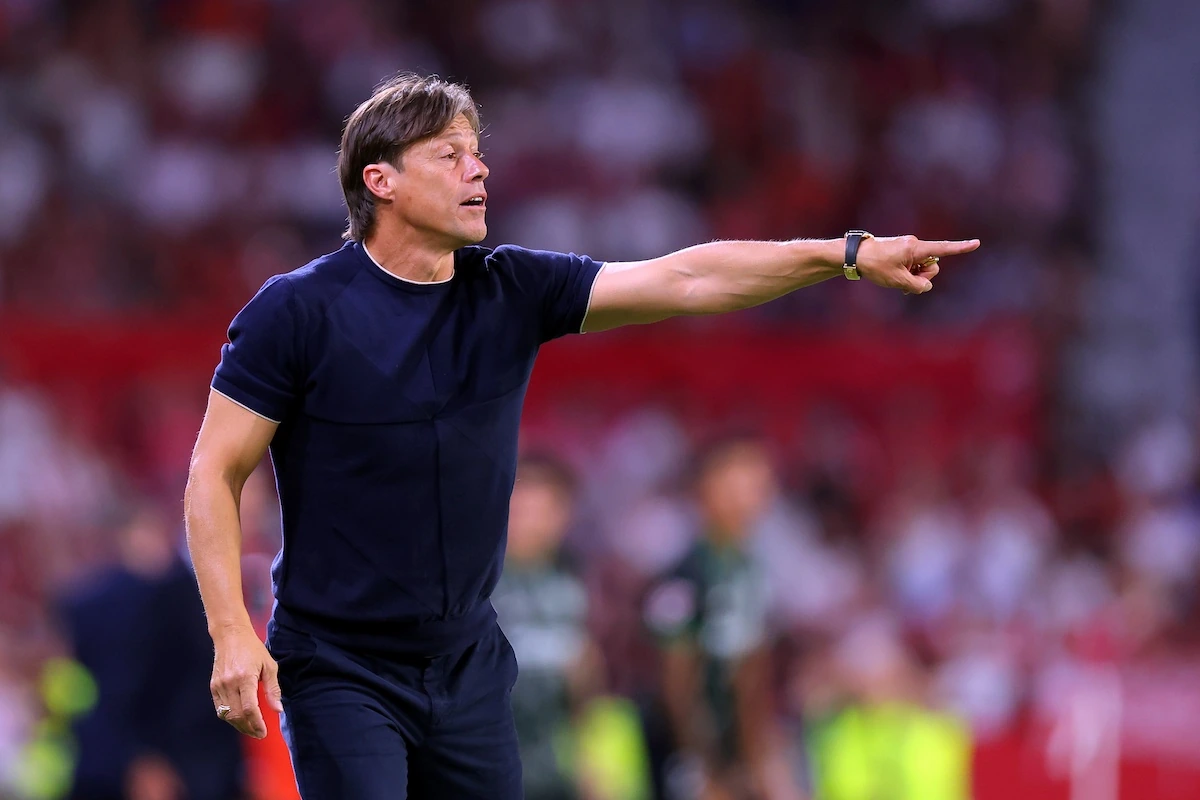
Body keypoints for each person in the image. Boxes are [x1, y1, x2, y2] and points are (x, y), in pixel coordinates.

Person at [183, 72, 979, 800]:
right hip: (340, 665)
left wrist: (846, 255)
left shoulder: (511, 289)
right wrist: (230, 630)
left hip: (467, 663)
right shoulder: (295, 313)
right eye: (450, 154)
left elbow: (687, 277)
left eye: (477, 151)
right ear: (380, 180)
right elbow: (214, 472)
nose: (478, 169)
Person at [642, 435, 799, 800]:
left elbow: (751, 671)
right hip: (688, 759)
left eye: (760, 482)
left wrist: (760, 755)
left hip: (736, 755)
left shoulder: (749, 568)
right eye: (738, 482)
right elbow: (676, 684)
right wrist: (701, 767)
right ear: (705, 488)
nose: (752, 494)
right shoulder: (685, 575)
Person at [58, 505, 245, 800]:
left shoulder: (179, 595)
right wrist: (144, 756)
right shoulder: (113, 607)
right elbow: (125, 690)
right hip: (168, 755)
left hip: (189, 751)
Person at [492, 453, 594, 800]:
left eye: (543, 511)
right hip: (489, 764)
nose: (530, 524)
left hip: (554, 768)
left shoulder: (570, 588)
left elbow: (582, 675)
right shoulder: (476, 591)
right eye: (520, 510)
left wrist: (588, 758)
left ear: (564, 516)